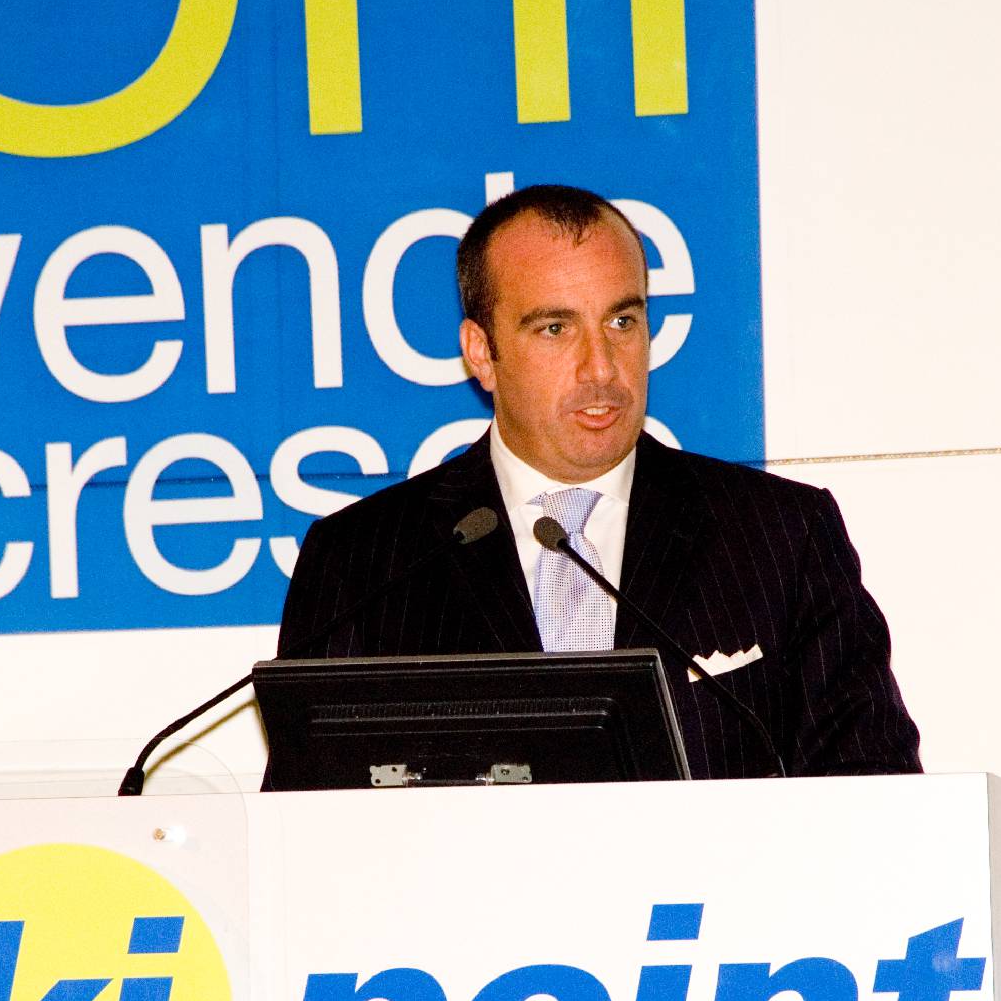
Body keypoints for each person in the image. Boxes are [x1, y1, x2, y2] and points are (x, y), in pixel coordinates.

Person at [276, 184, 921, 778]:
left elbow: (874, 791)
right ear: (481, 353)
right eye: (555, 329)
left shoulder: (780, 538)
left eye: (622, 322)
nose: (602, 367)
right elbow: (302, 828)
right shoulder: (362, 564)